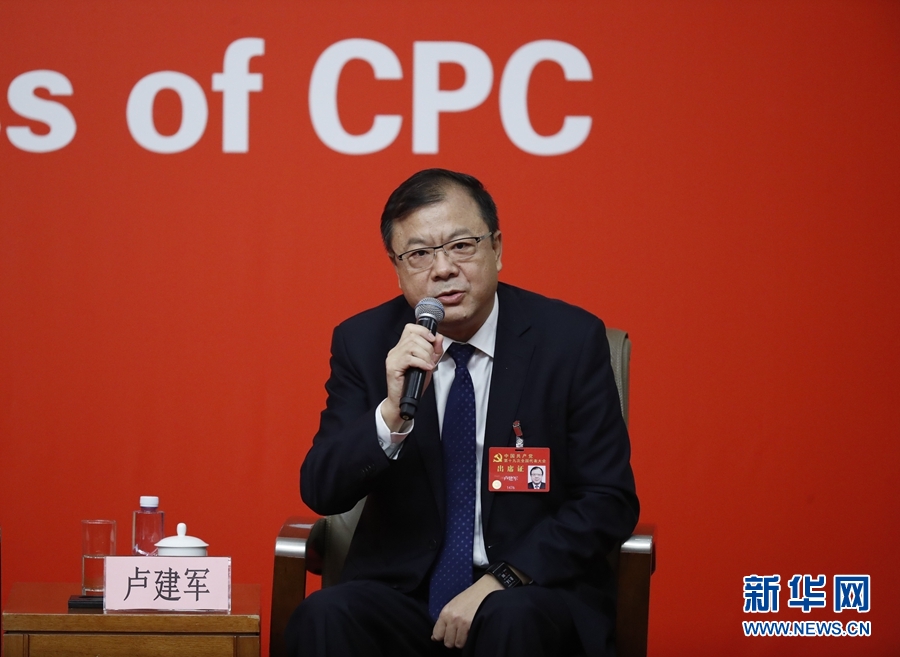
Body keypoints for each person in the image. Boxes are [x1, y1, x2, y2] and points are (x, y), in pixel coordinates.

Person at [286, 168, 639, 657]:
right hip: (404, 594)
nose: (443, 269)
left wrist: (503, 579)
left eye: (461, 246)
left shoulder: (568, 340)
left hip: (528, 589)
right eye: (419, 254)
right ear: (396, 267)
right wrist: (391, 414)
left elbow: (607, 499)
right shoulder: (365, 342)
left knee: (512, 620)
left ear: (497, 248)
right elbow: (321, 490)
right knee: (323, 616)